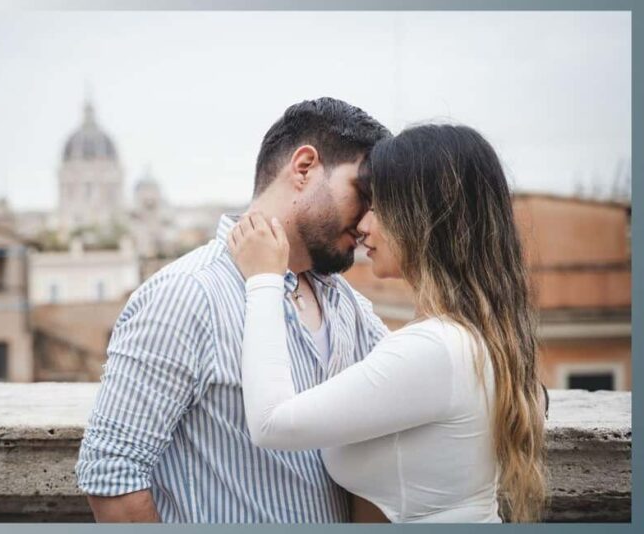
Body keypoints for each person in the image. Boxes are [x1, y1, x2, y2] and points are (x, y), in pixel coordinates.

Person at [75, 97, 393, 522]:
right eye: (363, 193)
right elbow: (113, 476)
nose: (369, 219)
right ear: (304, 168)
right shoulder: (186, 295)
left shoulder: (347, 302)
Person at [228, 124, 548, 523]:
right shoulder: (465, 336)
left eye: (378, 206)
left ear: (427, 216)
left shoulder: (436, 349)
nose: (363, 225)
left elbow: (270, 423)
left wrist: (263, 280)